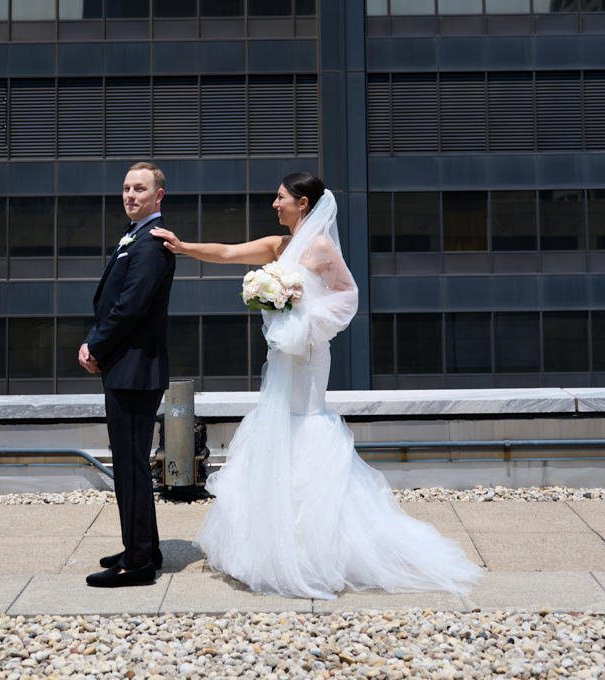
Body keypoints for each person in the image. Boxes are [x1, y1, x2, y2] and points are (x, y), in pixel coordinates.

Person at [151, 172, 482, 599]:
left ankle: (319, 547)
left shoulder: (322, 247)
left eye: (281, 197)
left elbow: (348, 295)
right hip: (279, 358)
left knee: (306, 426)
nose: (275, 203)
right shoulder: (279, 246)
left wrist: (307, 323)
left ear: (303, 204)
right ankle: (270, 544)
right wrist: (183, 247)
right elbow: (230, 251)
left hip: (307, 356)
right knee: (276, 430)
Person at [79, 161, 176, 588]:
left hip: (134, 370)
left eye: (139, 189)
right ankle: (143, 546)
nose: (130, 195)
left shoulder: (152, 245)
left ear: (158, 196)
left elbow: (130, 308)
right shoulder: (134, 238)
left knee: (130, 465)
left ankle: (137, 564)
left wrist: (95, 346)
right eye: (126, 188)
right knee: (129, 462)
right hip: (127, 368)